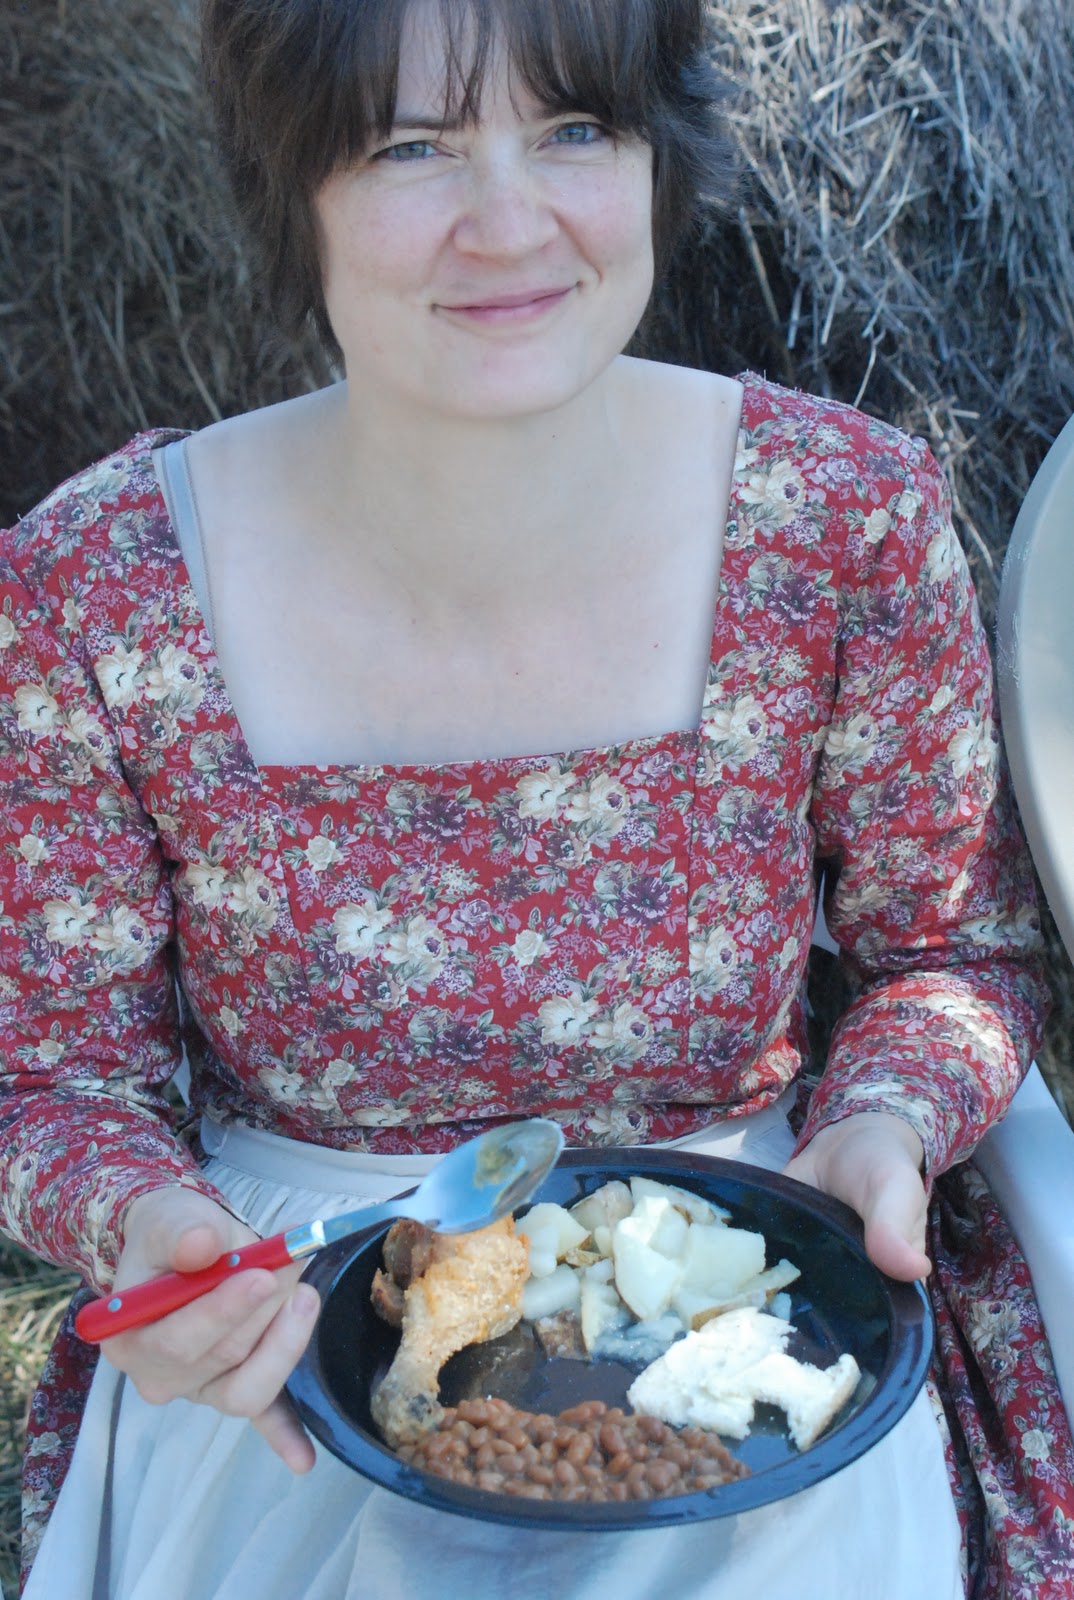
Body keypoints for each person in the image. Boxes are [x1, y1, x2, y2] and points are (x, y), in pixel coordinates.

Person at [0, 0, 1070, 1595]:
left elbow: (951, 954)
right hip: (294, 1322)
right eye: (409, 148)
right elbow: (54, 1073)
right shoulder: (96, 587)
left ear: (657, 157)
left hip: (746, 1283)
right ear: (292, 183)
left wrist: (878, 1122)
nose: (508, 225)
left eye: (573, 129)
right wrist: (152, 1225)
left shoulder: (841, 520)